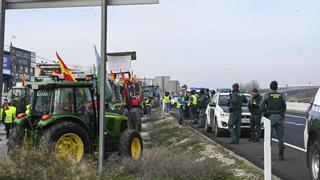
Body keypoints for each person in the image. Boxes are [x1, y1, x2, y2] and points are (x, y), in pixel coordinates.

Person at [260, 81, 286, 160]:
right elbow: (284, 106)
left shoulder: (267, 95)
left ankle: (267, 155)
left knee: (268, 137)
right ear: (277, 87)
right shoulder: (280, 95)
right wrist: (282, 114)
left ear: (270, 87)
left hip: (270, 117)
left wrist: (265, 112)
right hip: (279, 117)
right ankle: (281, 155)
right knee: (280, 137)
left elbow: (261, 105)